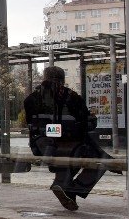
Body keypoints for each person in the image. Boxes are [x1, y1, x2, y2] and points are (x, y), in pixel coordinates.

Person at [23, 65, 109, 211]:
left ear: (44, 78)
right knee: (102, 159)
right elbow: (87, 124)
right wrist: (90, 120)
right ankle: (72, 189)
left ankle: (64, 185)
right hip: (68, 145)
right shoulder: (72, 97)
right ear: (63, 80)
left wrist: (53, 131)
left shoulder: (30, 99)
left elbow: (33, 124)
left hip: (41, 146)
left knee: (73, 152)